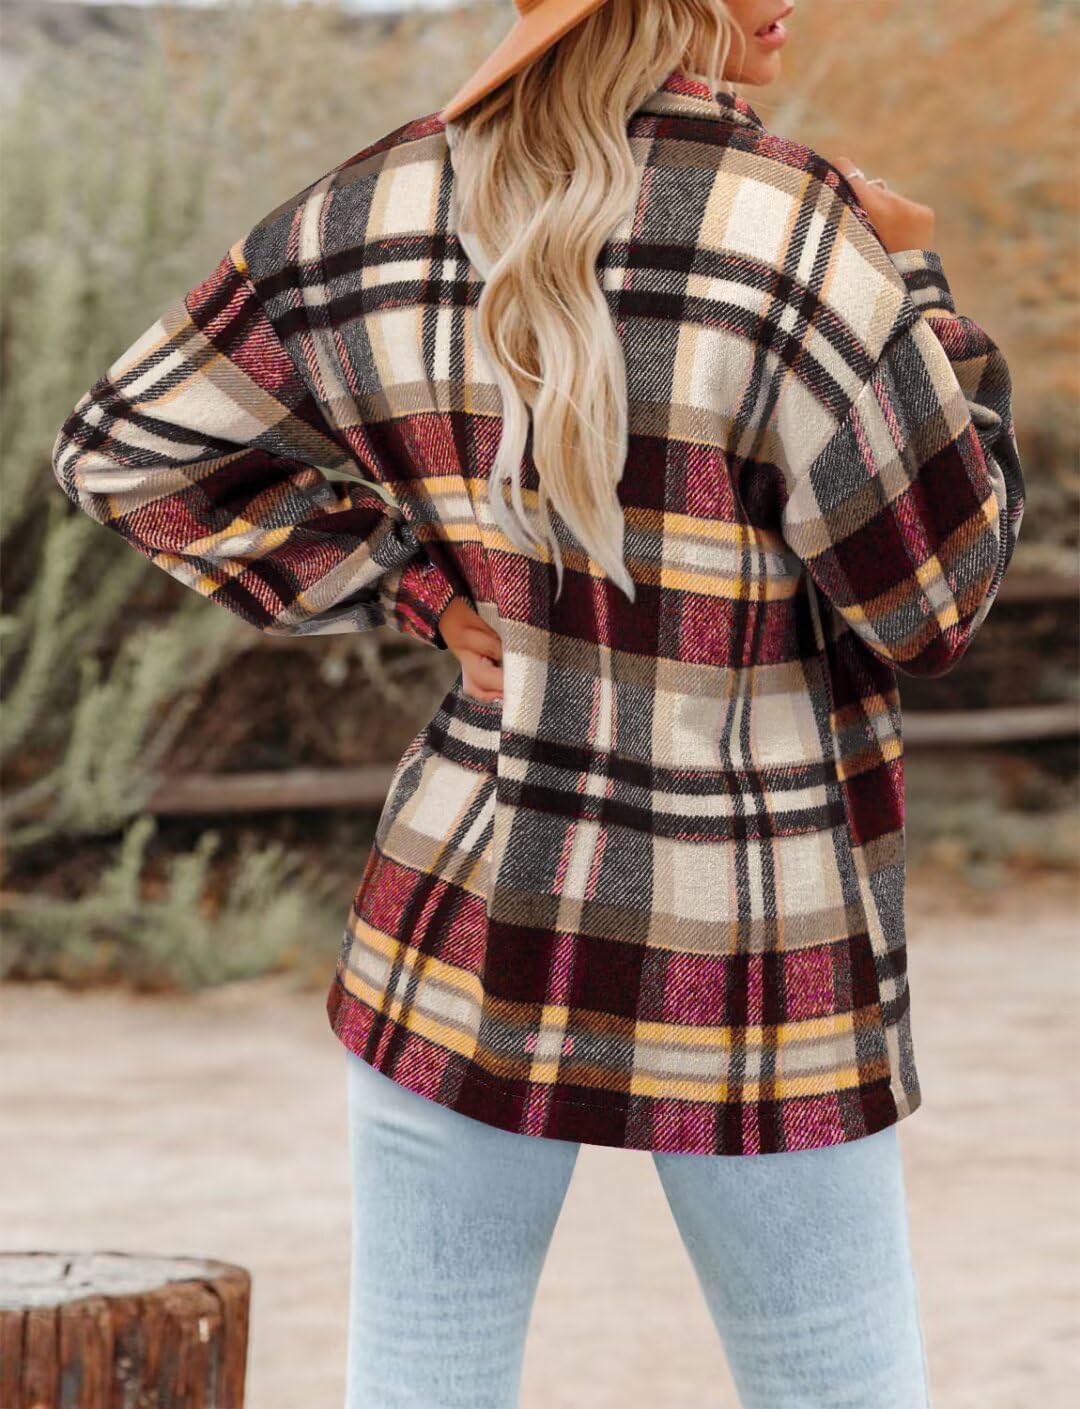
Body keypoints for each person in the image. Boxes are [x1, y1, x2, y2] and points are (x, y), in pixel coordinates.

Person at [51, 2, 1026, 1405]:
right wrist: (923, 300)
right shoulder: (800, 233)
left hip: (466, 900)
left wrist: (419, 592)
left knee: (423, 1379)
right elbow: (933, 602)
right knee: (838, 1385)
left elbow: (127, 448)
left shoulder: (370, 206)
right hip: (755, 932)